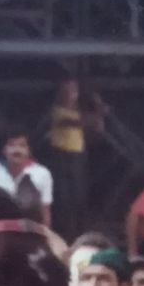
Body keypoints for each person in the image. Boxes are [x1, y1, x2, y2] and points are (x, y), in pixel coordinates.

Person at [45, 76, 104, 241]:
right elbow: (78, 122)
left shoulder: (78, 111)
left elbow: (97, 128)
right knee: (64, 195)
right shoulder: (57, 110)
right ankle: (66, 230)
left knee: (79, 193)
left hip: (77, 155)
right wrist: (98, 111)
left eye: (74, 90)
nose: (71, 94)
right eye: (68, 90)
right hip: (61, 154)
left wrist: (97, 105)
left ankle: (80, 229)